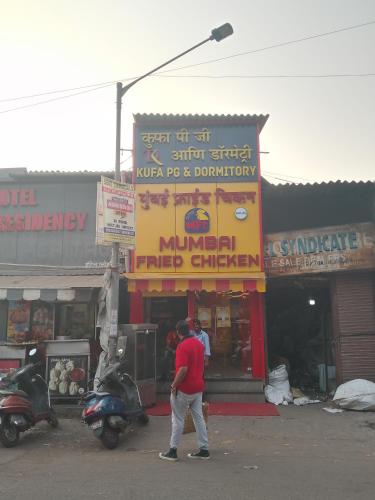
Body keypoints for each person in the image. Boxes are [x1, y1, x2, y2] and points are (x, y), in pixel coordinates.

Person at [159, 320, 210, 462]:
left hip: (184, 388)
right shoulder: (199, 344)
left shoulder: (182, 346)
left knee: (177, 419)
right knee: (198, 418)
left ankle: (173, 450)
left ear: (178, 332)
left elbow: (182, 369)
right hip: (198, 387)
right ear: (189, 330)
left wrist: (174, 385)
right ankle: (204, 449)